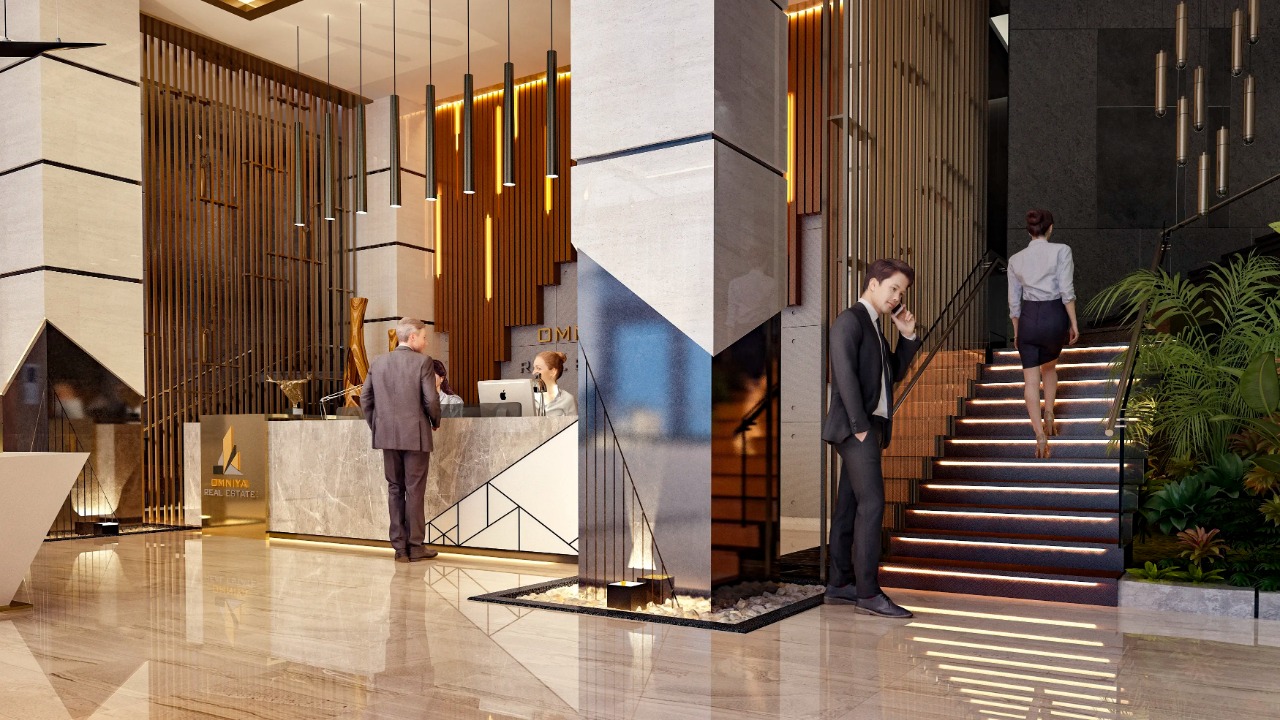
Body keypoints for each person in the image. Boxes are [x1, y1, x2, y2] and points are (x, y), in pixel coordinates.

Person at [822, 258, 922, 618]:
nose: (897, 297)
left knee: (849, 505)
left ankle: (839, 584)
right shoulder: (850, 320)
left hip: (868, 427)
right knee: (873, 503)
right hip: (856, 427)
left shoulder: (875, 327)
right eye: (894, 288)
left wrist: (907, 335)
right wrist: (860, 426)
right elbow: (843, 375)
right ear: (874, 284)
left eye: (902, 292)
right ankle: (867, 592)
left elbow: (892, 374)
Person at [361, 318, 442, 563]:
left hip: (387, 435)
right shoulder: (423, 362)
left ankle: (399, 549)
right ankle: (415, 546)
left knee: (395, 488)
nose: (426, 342)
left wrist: (377, 426)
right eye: (424, 337)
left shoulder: (378, 362)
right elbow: (431, 399)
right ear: (412, 337)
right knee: (414, 490)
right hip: (415, 435)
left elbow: (365, 399)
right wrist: (435, 421)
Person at [1008, 209, 1078, 459]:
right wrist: (1073, 323)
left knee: (1030, 381)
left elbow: (1014, 302)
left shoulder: (1015, 259)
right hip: (1053, 316)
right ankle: (1049, 414)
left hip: (1028, 318)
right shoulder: (1062, 251)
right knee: (1049, 368)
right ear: (1050, 228)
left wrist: (1017, 331)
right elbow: (1066, 290)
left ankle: (1039, 434)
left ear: (1029, 231)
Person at [532, 350, 577, 417]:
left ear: (553, 372)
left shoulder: (567, 399)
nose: (533, 372)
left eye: (538, 368)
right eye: (534, 368)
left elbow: (574, 423)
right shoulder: (529, 397)